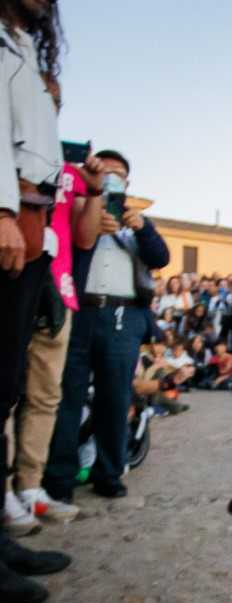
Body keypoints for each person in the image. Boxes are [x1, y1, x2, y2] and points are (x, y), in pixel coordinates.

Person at [0, 0, 74, 603]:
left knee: (5, 389)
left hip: (32, 214)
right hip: (10, 208)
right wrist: (2, 209)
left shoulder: (24, 47)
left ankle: (1, 541)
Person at [44, 149, 170, 503]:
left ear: (128, 182)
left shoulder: (139, 222)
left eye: (119, 173)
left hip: (123, 317)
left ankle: (109, 472)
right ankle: (59, 478)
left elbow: (161, 258)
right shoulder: (79, 209)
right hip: (80, 309)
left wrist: (141, 228)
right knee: (68, 397)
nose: (112, 177)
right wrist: (92, 219)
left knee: (115, 399)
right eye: (106, 170)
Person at [12, 147, 103, 527]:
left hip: (60, 289)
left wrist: (95, 192)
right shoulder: (10, 158)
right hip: (14, 279)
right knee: (7, 392)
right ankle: (5, 493)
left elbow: (84, 239)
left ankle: (30, 488)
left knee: (46, 395)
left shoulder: (70, 173)